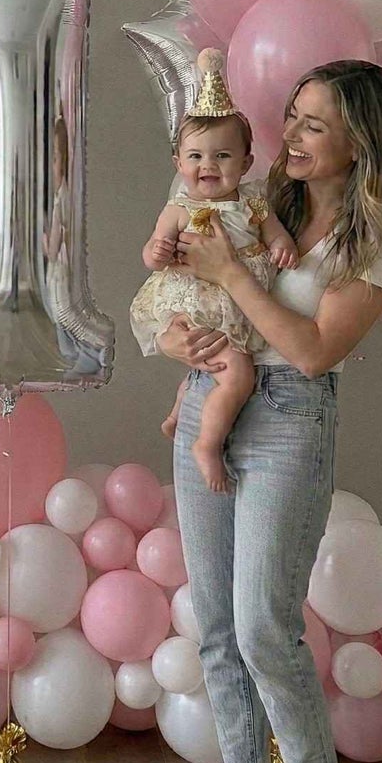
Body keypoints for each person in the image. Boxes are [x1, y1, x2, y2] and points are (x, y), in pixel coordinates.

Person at [159, 59, 382, 763]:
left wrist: (228, 272)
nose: (291, 135)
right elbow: (193, 299)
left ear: (358, 141)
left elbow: (309, 351)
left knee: (266, 624)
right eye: (293, 116)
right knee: (216, 620)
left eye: (313, 124)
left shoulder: (373, 237)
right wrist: (179, 351)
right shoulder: (267, 199)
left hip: (287, 421)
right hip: (209, 397)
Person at [129, 51, 298, 492]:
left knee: (214, 365)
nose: (209, 165)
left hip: (236, 299)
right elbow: (151, 254)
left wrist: (282, 247)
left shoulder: (254, 202)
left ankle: (180, 409)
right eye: (196, 155)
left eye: (223, 155)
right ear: (178, 164)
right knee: (236, 373)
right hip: (193, 297)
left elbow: (276, 234)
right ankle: (208, 442)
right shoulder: (179, 207)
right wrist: (160, 250)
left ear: (245, 163)